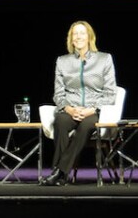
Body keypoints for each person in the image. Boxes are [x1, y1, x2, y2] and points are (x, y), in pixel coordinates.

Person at [41, 20, 117, 186]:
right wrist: (69, 109)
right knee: (60, 122)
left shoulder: (104, 59)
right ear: (71, 39)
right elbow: (58, 94)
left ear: (89, 37)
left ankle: (59, 171)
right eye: (75, 34)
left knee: (85, 127)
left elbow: (111, 93)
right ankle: (61, 174)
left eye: (82, 33)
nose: (78, 36)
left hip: (94, 111)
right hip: (70, 109)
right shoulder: (62, 61)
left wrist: (91, 109)